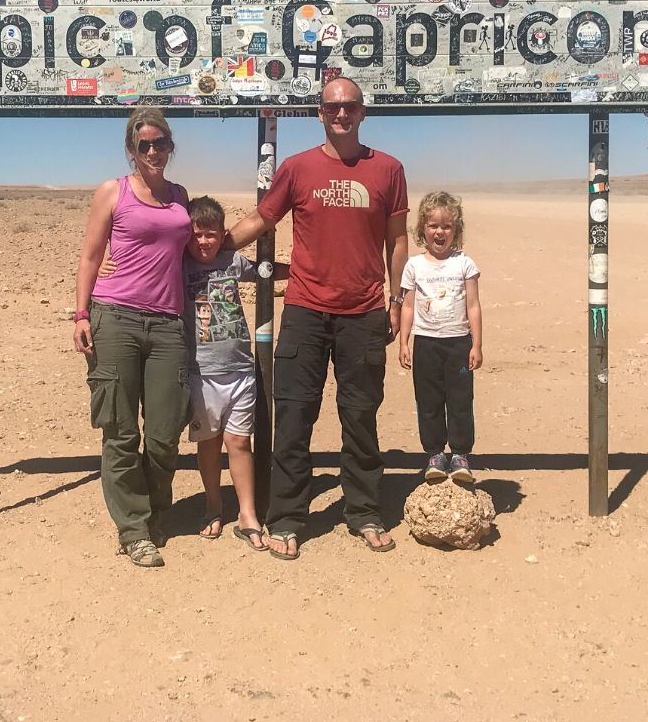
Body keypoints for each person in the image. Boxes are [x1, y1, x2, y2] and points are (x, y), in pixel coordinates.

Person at [225, 76, 409, 560]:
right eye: (333, 107)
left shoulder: (388, 170)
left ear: (363, 112)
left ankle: (365, 511)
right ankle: (287, 518)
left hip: (364, 312)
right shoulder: (297, 168)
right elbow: (262, 219)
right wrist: (211, 248)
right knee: (294, 417)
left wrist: (396, 299)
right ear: (320, 113)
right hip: (306, 309)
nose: (342, 114)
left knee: (360, 417)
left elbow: (398, 240)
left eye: (350, 106)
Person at [74, 107, 191, 569]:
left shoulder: (180, 196)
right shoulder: (113, 191)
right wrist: (82, 314)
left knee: (164, 434)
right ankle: (134, 528)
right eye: (143, 144)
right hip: (115, 318)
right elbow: (89, 256)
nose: (153, 151)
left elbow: (197, 246)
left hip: (168, 325)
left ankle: (156, 509)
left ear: (170, 145)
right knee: (121, 432)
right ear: (131, 150)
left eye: (160, 142)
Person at [182, 196, 288, 550]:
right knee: (209, 443)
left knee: (240, 442)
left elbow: (267, 271)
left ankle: (247, 514)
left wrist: (308, 268)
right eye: (197, 235)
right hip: (202, 373)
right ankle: (213, 505)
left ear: (223, 234)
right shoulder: (179, 265)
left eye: (211, 235)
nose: (204, 242)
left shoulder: (233, 261)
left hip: (242, 369)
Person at [398, 191, 483, 484]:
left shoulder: (464, 264)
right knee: (429, 400)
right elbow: (408, 305)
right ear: (423, 228)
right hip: (426, 344)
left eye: (447, 226)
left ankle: (460, 455)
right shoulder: (414, 266)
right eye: (433, 225)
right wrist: (404, 342)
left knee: (460, 400)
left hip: (458, 343)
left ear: (456, 231)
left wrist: (477, 344)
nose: (440, 231)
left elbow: (473, 305)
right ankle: (434, 454)